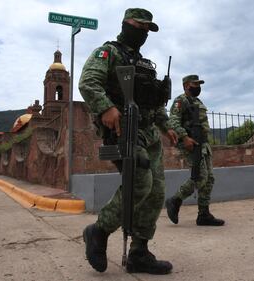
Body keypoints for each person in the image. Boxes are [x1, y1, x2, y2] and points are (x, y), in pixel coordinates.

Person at [78, 8, 178, 275]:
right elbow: (88, 82)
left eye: (148, 29)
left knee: (156, 193)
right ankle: (98, 232)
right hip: (124, 131)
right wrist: (106, 108)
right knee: (140, 182)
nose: (144, 32)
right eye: (140, 26)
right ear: (126, 24)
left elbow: (153, 104)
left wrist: (166, 127)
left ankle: (139, 253)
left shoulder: (143, 64)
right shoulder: (108, 53)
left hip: (150, 135)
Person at [165, 75, 225, 226]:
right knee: (200, 176)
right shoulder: (181, 100)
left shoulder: (198, 102)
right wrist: (185, 138)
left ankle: (203, 215)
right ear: (186, 85)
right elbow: (173, 121)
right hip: (190, 143)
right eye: (194, 84)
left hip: (203, 144)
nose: (198, 87)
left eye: (199, 84)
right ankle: (175, 200)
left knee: (209, 178)